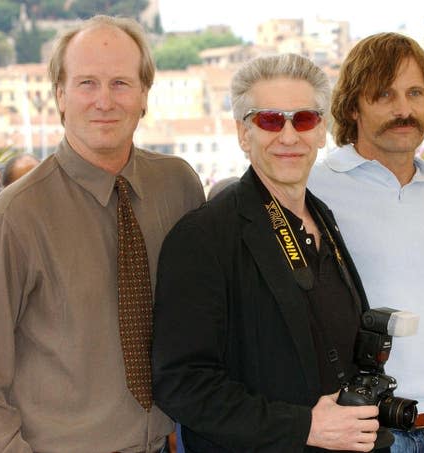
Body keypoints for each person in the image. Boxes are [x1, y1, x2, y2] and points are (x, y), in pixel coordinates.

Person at [0, 15, 204, 452]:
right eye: (86, 84)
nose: (104, 101)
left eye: (120, 83)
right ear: (60, 96)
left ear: (144, 96)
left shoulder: (180, 187)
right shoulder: (13, 219)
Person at [152, 53, 380, 452]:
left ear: (322, 131)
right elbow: (181, 384)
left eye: (304, 119)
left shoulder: (323, 217)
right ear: (244, 134)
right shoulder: (203, 236)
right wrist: (304, 427)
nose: (289, 136)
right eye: (270, 120)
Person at [308, 32, 424, 452]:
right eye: (384, 94)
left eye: (415, 93)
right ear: (353, 106)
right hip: (368, 429)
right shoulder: (315, 185)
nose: (404, 109)